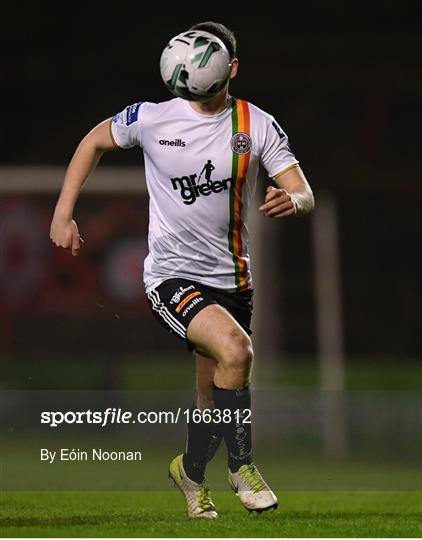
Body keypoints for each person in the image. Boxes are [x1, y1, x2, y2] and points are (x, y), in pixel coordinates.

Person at [50, 21, 314, 519]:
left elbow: (304, 190)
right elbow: (93, 141)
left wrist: (292, 202)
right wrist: (63, 212)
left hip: (233, 281)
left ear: (230, 68)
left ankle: (191, 476)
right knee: (237, 349)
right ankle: (243, 467)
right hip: (171, 276)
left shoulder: (255, 124)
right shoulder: (152, 118)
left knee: (211, 397)